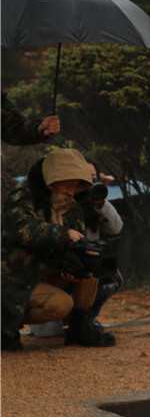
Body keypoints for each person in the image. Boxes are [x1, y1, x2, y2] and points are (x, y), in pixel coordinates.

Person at [1, 148, 116, 350]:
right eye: (69, 185)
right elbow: (21, 229)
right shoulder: (23, 194)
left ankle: (81, 326)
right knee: (59, 304)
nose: (72, 191)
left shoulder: (71, 202)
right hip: (15, 277)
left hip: (44, 270)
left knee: (90, 263)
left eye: (77, 186)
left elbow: (78, 237)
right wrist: (63, 234)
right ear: (53, 178)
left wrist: (71, 268)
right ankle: (5, 325)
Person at [83, 162, 124, 320]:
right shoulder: (64, 203)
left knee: (110, 280)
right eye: (86, 178)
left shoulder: (96, 204)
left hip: (90, 265)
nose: (91, 182)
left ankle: (88, 318)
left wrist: (101, 203)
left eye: (94, 177)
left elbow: (116, 228)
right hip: (67, 268)